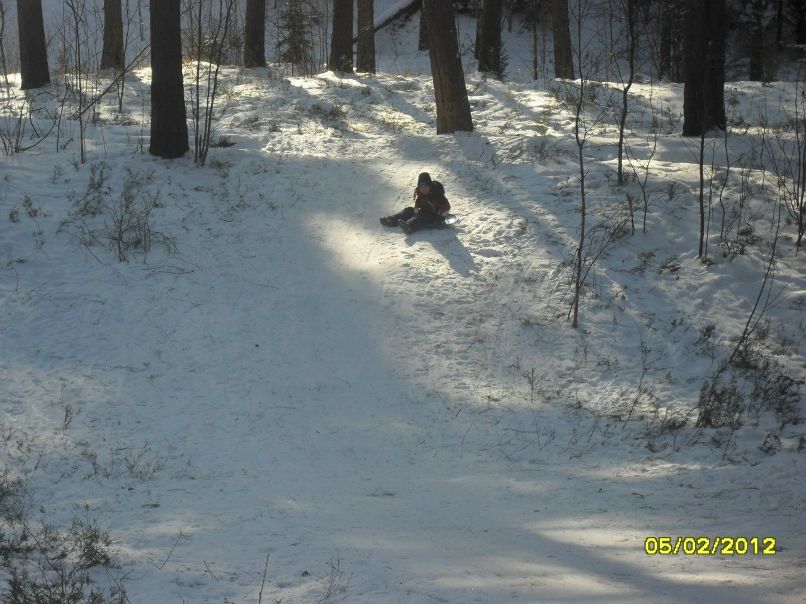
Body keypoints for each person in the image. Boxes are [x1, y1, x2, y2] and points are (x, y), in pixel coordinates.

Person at [380, 172, 451, 234]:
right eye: (421, 187)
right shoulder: (421, 192)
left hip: (433, 215)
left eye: (426, 187)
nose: (423, 189)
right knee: (409, 210)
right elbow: (418, 200)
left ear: (430, 186)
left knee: (423, 217)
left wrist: (440, 217)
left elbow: (446, 206)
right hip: (424, 210)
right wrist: (416, 208)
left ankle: (409, 227)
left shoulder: (437, 194)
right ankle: (391, 220)